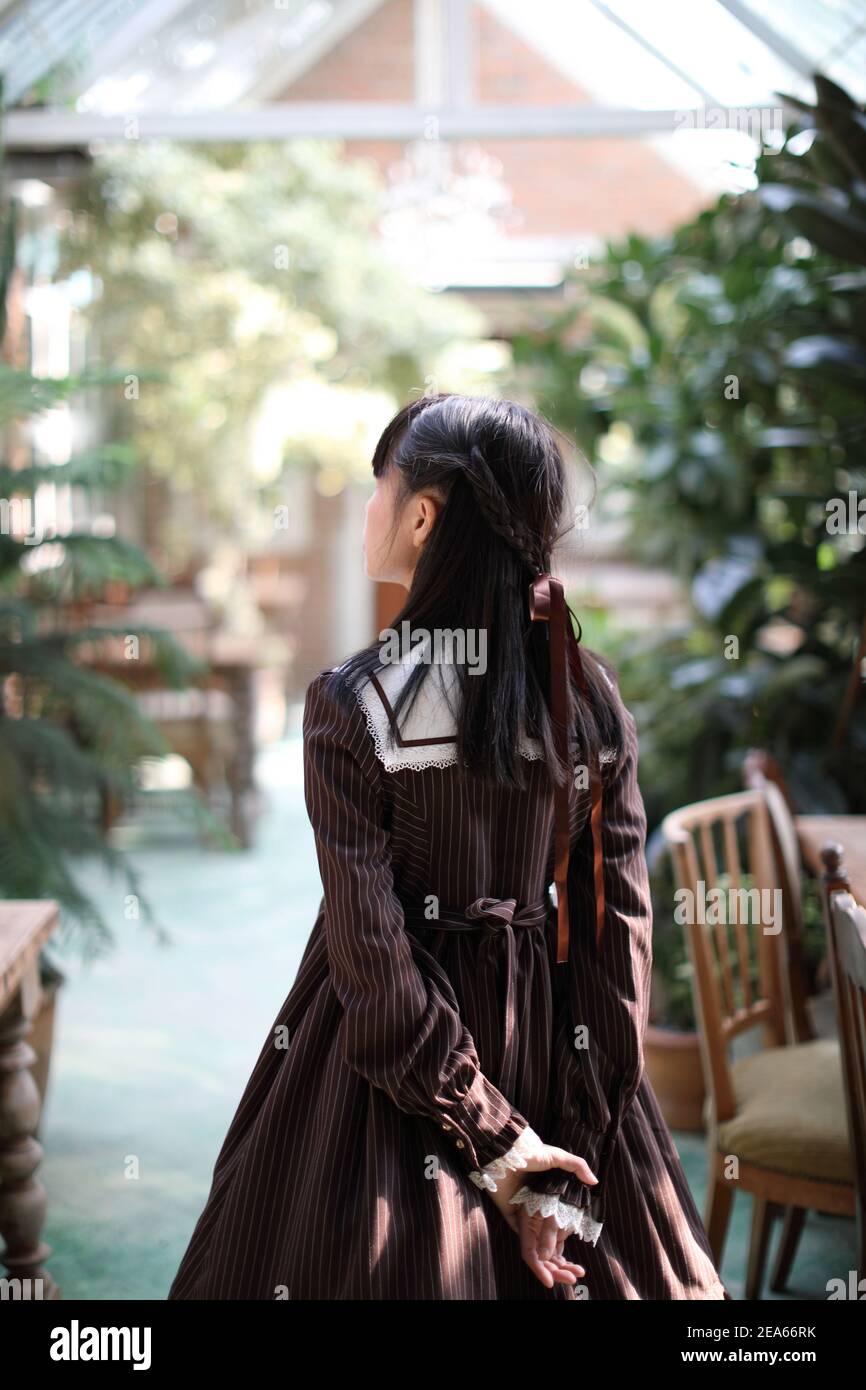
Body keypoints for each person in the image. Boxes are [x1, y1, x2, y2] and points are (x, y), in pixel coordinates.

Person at [167, 393, 730, 1301]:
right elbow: (618, 951)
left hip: (394, 1085)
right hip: (564, 1062)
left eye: (376, 486)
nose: (366, 508)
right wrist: (562, 1159)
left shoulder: (353, 707)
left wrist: (498, 1141)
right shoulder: (590, 705)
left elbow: (375, 966)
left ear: (421, 515)